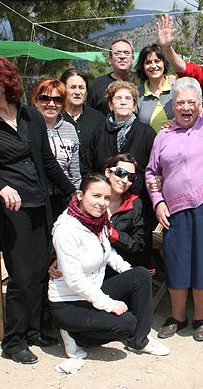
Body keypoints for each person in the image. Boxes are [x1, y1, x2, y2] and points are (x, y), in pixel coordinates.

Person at [0, 55, 76, 364]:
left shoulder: (31, 118)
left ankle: (34, 330)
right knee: (22, 277)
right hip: (10, 214)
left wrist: (73, 192)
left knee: (39, 273)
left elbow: (47, 162)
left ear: (3, 85)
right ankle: (13, 341)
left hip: (40, 206)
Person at [145, 20, 203, 342]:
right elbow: (152, 173)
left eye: (191, 102)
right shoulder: (164, 135)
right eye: (179, 102)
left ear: (201, 104)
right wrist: (157, 202)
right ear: (173, 105)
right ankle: (176, 316)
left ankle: (200, 318)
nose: (185, 107)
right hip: (177, 209)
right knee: (179, 263)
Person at [48, 173, 169, 358]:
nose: (102, 203)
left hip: (92, 290)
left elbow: (108, 252)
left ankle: (140, 340)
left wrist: (130, 274)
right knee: (127, 323)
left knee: (141, 274)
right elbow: (74, 280)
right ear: (80, 196)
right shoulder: (66, 229)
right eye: (95, 196)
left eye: (106, 198)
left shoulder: (97, 221)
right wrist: (108, 304)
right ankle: (75, 336)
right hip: (68, 302)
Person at [84, 80, 156, 223]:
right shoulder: (98, 133)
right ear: (110, 104)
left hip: (138, 209)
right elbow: (89, 167)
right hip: (103, 206)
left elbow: (155, 168)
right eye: (118, 98)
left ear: (135, 104)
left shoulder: (147, 133)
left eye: (128, 98)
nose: (123, 102)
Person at [31, 78, 81, 219]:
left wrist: (75, 194)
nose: (51, 104)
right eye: (45, 98)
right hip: (37, 198)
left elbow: (75, 169)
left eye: (58, 99)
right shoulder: (28, 128)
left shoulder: (70, 129)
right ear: (35, 101)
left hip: (64, 197)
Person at [103, 154, 148, 268]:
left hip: (120, 268)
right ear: (108, 172)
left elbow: (139, 244)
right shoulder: (90, 197)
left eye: (131, 177)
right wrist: (55, 259)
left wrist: (114, 235)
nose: (125, 180)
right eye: (120, 173)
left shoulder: (135, 204)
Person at [59, 68, 105, 170]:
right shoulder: (56, 118)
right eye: (72, 87)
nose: (77, 92)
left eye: (81, 87)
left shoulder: (98, 118)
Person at [87, 39, 135, 116]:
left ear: (132, 59)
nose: (122, 56)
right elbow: (90, 115)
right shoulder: (97, 84)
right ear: (110, 59)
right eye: (117, 53)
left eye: (126, 53)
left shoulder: (143, 80)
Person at [134, 43, 174, 132]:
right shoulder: (137, 94)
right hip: (147, 145)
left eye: (157, 61)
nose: (153, 66)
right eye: (148, 62)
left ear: (164, 63)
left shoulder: (176, 89)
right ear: (143, 67)